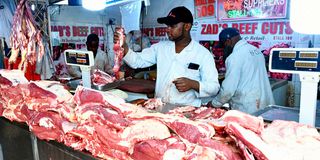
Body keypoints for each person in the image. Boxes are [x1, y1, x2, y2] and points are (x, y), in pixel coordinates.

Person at [114, 6, 220, 107]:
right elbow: (137, 61)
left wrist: (193, 84)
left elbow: (214, 87)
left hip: (187, 111)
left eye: (172, 26)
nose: (168, 29)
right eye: (167, 26)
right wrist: (124, 46)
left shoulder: (203, 54)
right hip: (160, 108)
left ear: (187, 26)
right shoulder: (161, 48)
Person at [208, 28, 274, 114]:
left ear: (228, 41)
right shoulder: (256, 50)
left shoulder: (234, 57)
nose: (224, 49)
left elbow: (228, 90)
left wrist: (214, 103)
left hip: (248, 107)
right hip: (264, 101)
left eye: (224, 45)